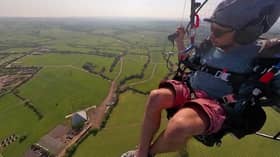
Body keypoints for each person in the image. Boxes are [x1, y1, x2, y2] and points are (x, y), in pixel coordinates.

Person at [121, 0, 280, 156]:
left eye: (218, 31)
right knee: (156, 97)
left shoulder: (263, 53)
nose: (212, 35)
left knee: (179, 126)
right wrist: (179, 41)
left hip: (216, 103)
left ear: (244, 33)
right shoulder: (210, 45)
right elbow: (188, 61)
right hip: (190, 88)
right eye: (211, 29)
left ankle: (146, 154)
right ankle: (141, 152)